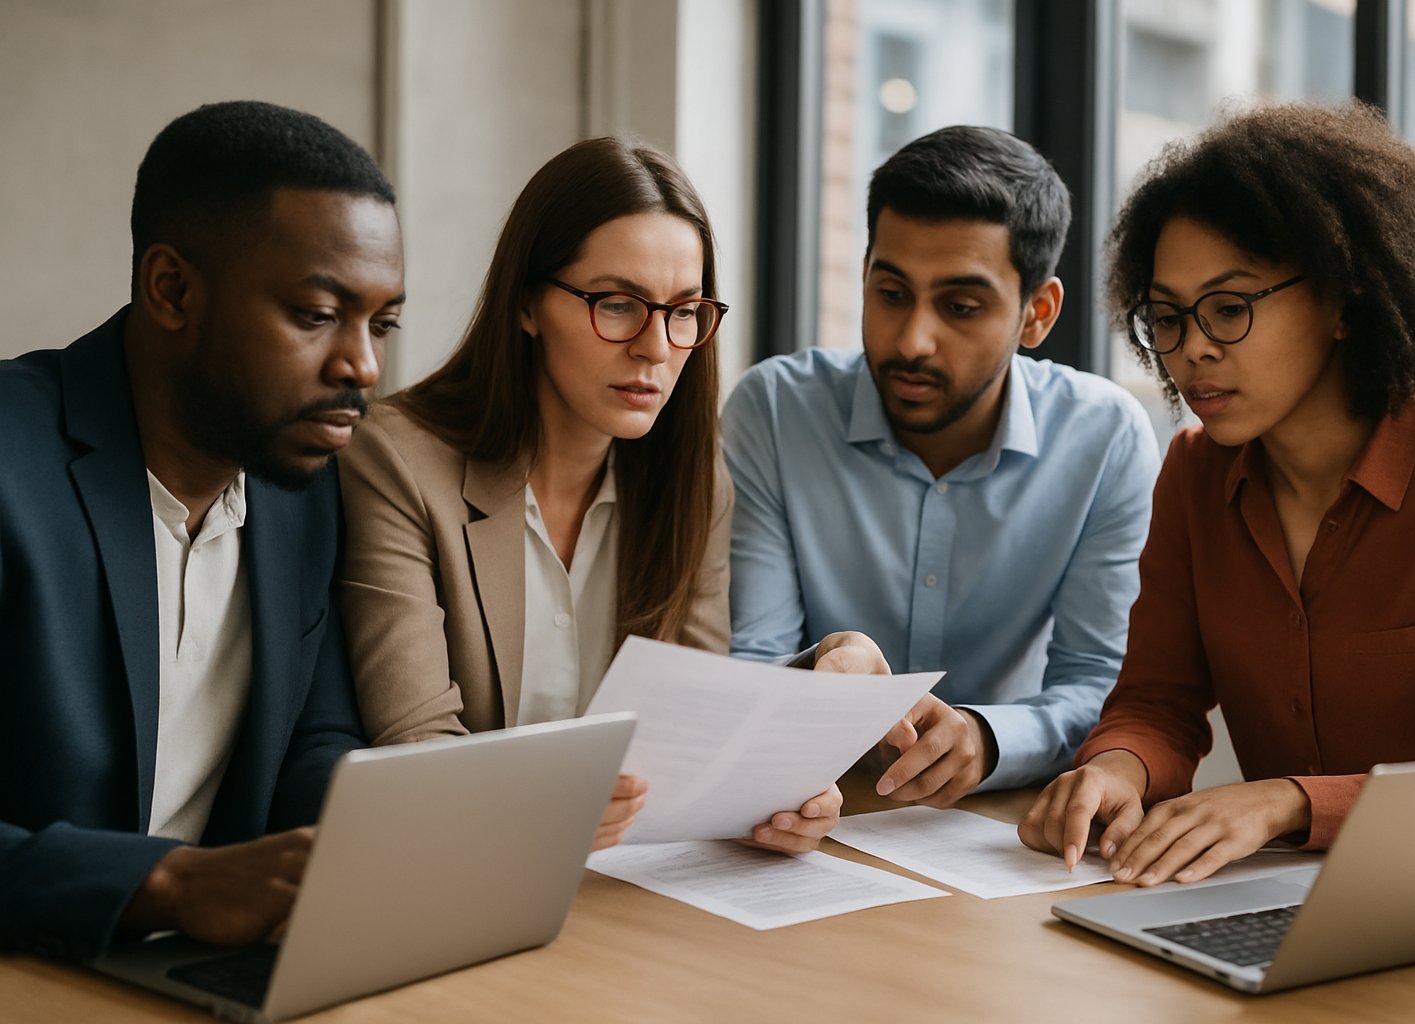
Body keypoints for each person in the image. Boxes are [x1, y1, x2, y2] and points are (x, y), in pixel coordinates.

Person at [1019, 101, 1415, 885]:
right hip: (1275, 904)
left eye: (1229, 309)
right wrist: (1116, 770)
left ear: (1340, 300)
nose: (1192, 348)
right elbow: (1158, 701)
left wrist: (1288, 803)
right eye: (1167, 317)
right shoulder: (1194, 474)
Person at [338, 137, 880, 855]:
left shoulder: (694, 484)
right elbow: (418, 750)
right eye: (619, 304)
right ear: (528, 304)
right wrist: (549, 806)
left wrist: (788, 772)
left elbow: (688, 728)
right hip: (459, 877)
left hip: (622, 895)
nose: (656, 347)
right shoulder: (397, 463)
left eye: (684, 311)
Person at [0, 100, 404, 959]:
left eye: (382, 322)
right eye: (316, 313)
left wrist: (406, 840)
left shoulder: (301, 488)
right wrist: (171, 884)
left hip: (191, 974)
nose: (362, 364)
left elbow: (314, 738)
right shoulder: (10, 463)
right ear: (171, 289)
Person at [723, 126, 1159, 806]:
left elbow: (1099, 683)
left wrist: (988, 739)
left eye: (960, 307)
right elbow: (751, 663)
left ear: (1036, 314)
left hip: (1002, 822)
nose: (912, 340)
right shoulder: (776, 412)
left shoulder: (1104, 438)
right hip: (808, 806)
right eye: (891, 293)